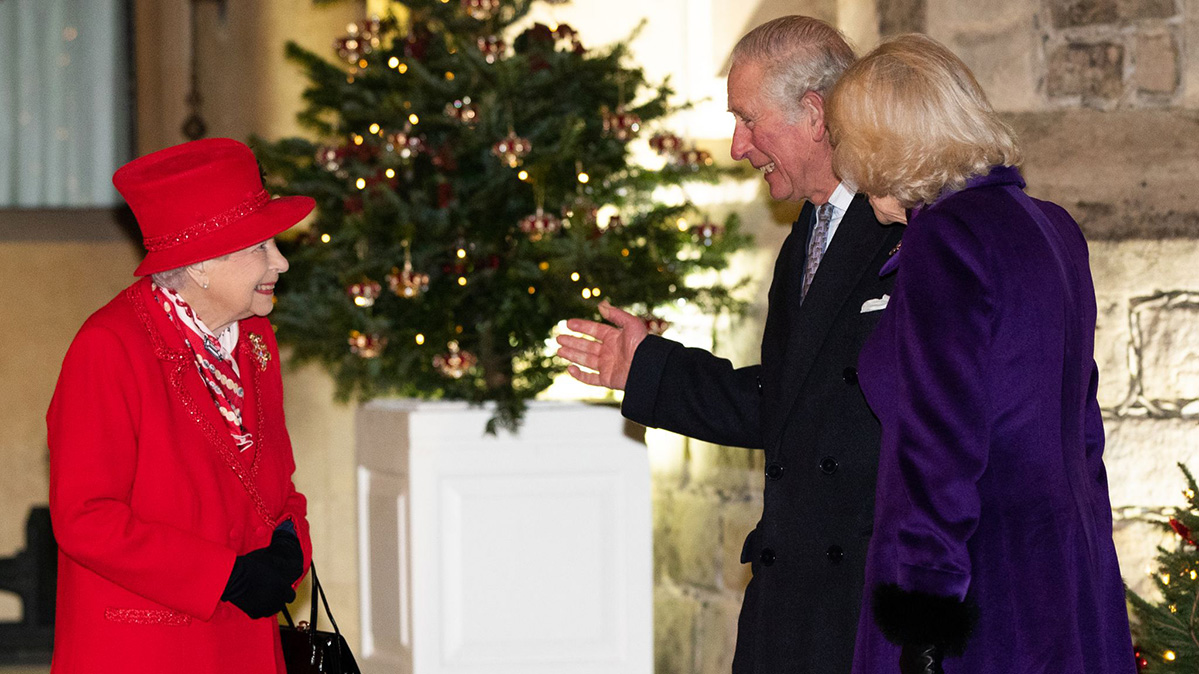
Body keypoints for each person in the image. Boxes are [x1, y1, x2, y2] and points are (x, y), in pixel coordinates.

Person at [556, 16, 904, 674]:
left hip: (865, 602)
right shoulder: (808, 231)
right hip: (793, 597)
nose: (739, 145)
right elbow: (785, 401)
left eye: (747, 119)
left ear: (813, 113)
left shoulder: (903, 223)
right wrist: (645, 368)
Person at [824, 35, 1135, 674]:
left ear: (883, 145)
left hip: (984, 576)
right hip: (1064, 563)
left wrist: (924, 612)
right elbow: (1085, 433)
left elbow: (939, 444)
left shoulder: (947, 237)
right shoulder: (1052, 224)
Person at [47, 138, 316, 673]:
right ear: (200, 265)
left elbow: (277, 482)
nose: (281, 262)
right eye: (261, 246)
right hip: (149, 648)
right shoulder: (109, 346)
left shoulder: (256, 339)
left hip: (245, 641)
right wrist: (225, 576)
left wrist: (291, 543)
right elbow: (86, 517)